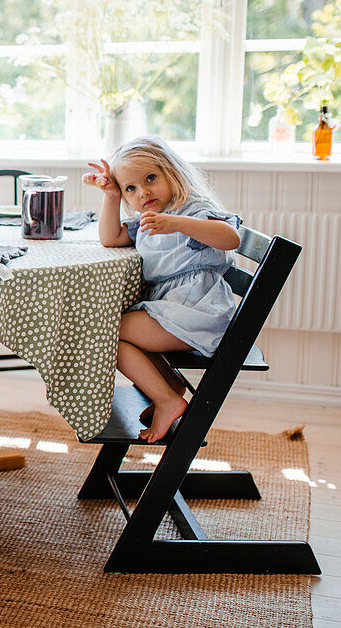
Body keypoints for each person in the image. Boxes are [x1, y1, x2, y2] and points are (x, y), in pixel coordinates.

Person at [83, 136, 241, 442]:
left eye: (150, 179)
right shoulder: (150, 218)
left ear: (171, 172)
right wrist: (112, 195)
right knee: (109, 332)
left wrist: (180, 223)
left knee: (105, 333)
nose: (142, 192)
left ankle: (167, 399)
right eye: (131, 188)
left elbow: (230, 237)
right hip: (174, 308)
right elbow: (111, 238)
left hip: (198, 311)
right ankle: (167, 386)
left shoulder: (191, 209)